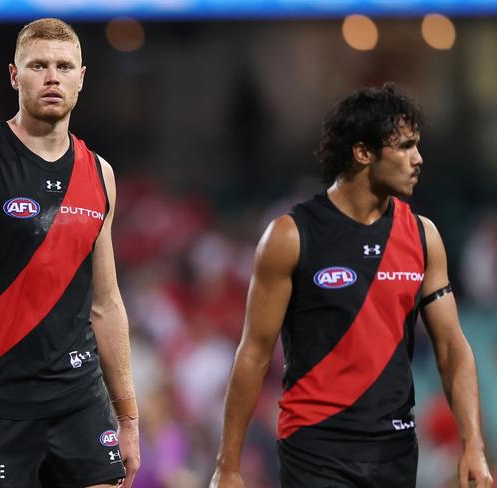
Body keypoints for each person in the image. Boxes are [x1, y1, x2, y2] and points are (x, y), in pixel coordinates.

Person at [210, 83, 493, 488]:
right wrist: (229, 466)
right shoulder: (290, 237)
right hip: (315, 448)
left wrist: (473, 445)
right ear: (362, 152)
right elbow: (254, 353)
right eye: (405, 146)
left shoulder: (423, 236)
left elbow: (451, 347)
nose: (419, 159)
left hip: (394, 449)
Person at [0, 18, 139, 488]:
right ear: (13, 75)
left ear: (82, 77)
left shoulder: (100, 174)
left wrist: (128, 417)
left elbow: (107, 303)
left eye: (64, 66)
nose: (52, 77)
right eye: (37, 65)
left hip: (80, 402)